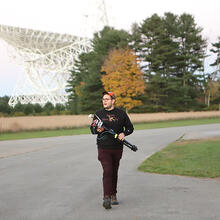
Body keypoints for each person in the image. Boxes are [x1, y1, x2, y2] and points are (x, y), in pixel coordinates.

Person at [90, 91, 134, 209]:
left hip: (117, 148)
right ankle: (106, 197)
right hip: (103, 147)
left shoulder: (121, 113)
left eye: (107, 99)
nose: (104, 101)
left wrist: (123, 133)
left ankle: (113, 194)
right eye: (103, 99)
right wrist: (97, 130)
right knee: (108, 170)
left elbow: (130, 128)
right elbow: (92, 129)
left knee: (114, 171)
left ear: (113, 101)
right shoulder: (98, 114)